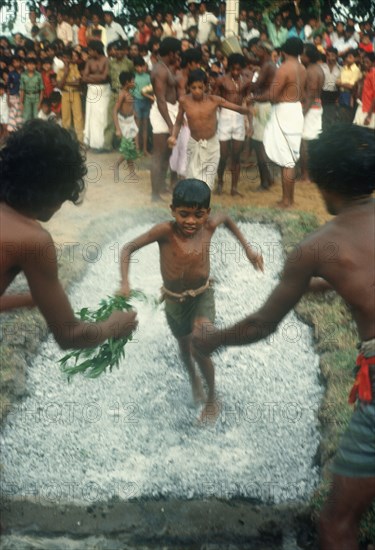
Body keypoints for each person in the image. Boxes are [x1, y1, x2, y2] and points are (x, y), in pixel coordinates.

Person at [192, 124, 375, 549]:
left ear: (320, 178)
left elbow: (262, 325)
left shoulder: (317, 247)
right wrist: (325, 283)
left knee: (336, 524)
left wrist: (214, 340)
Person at [119, 178, 263, 422]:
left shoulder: (208, 227)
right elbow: (128, 248)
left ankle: (212, 398)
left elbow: (226, 217)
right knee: (185, 349)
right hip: (174, 302)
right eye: (184, 214)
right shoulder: (164, 231)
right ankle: (194, 379)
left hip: (202, 295)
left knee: (200, 343)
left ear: (206, 213)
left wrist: (249, 250)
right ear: (173, 211)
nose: (191, 221)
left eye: (198, 215)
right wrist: (125, 282)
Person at [0, 120, 137, 346]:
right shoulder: (33, 240)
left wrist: (27, 299)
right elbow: (70, 335)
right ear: (56, 190)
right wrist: (113, 325)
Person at [168, 69, 252, 190]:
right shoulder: (184, 101)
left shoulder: (214, 100)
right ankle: (193, 205)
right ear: (188, 87)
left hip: (212, 145)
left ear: (206, 87)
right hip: (193, 144)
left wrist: (248, 109)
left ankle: (202, 205)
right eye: (193, 88)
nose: (197, 91)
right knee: (191, 178)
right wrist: (173, 136)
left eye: (200, 87)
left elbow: (236, 108)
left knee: (206, 183)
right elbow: (178, 122)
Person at [258, 37, 306, 208]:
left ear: (284, 51)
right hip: (296, 110)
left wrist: (254, 98)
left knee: (287, 160)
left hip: (284, 111)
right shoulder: (302, 69)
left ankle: (287, 200)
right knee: (290, 158)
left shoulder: (284, 68)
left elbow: (272, 94)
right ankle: (288, 199)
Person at [215, 54, 252, 197]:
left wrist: (250, 124)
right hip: (224, 116)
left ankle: (234, 188)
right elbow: (214, 99)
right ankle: (220, 183)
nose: (236, 72)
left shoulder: (246, 82)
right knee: (223, 155)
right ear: (229, 67)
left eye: (238, 69)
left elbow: (248, 103)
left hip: (239, 118)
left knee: (236, 155)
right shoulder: (221, 80)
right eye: (233, 69)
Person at [150, 37, 181, 202]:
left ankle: (161, 186)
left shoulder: (165, 68)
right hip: (163, 113)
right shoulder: (160, 70)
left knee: (167, 154)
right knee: (159, 154)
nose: (178, 56)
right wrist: (170, 125)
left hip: (170, 111)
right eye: (177, 53)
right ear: (171, 52)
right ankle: (154, 194)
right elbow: (161, 99)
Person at [249, 40, 276, 191]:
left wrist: (252, 75)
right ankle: (269, 178)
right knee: (259, 144)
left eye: (257, 50)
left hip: (263, 105)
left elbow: (256, 85)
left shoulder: (266, 66)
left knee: (259, 145)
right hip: (265, 105)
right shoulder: (269, 65)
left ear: (263, 51)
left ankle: (265, 182)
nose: (255, 52)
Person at [300, 44, 324, 182]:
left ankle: (305, 175)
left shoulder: (311, 71)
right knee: (311, 143)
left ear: (308, 57)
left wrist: (303, 113)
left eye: (303, 55)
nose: (301, 57)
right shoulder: (318, 69)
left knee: (305, 143)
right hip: (316, 107)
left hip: (310, 109)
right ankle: (310, 174)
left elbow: (310, 94)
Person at [82, 40, 110, 152]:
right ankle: (93, 144)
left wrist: (91, 77)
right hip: (92, 91)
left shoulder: (107, 60)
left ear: (95, 50)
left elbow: (105, 77)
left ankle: (103, 144)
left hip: (104, 91)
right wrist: (97, 77)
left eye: (90, 50)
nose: (88, 52)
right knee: (92, 117)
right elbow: (84, 77)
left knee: (102, 117)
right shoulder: (89, 61)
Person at [113, 71, 139, 182]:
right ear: (127, 82)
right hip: (123, 122)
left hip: (130, 120)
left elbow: (129, 106)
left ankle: (131, 173)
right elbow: (114, 111)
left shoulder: (129, 92)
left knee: (130, 148)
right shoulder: (122, 94)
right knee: (128, 148)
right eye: (132, 80)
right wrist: (118, 129)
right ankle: (116, 165)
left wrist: (134, 113)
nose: (134, 82)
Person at [57, 48, 84, 143]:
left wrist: (66, 83)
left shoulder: (75, 67)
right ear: (61, 59)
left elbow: (78, 83)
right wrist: (66, 73)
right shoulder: (60, 70)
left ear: (70, 58)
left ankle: (80, 140)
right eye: (64, 58)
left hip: (75, 93)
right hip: (65, 94)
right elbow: (59, 86)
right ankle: (66, 141)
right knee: (65, 118)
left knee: (78, 117)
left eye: (68, 58)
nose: (66, 60)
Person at [132, 56, 151, 156]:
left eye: (141, 66)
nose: (139, 69)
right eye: (137, 67)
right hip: (137, 102)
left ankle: (144, 149)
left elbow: (151, 89)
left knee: (145, 126)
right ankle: (137, 148)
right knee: (137, 126)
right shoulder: (133, 77)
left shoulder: (148, 77)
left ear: (144, 66)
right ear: (134, 67)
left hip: (146, 102)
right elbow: (131, 93)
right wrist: (133, 108)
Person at [19, 57, 44, 122]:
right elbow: (22, 90)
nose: (31, 66)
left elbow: (41, 90)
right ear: (26, 65)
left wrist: (40, 102)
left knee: (36, 116)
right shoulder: (23, 75)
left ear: (35, 65)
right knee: (27, 117)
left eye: (33, 64)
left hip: (36, 97)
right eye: (29, 64)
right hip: (27, 98)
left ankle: (36, 131)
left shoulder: (38, 75)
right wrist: (21, 102)